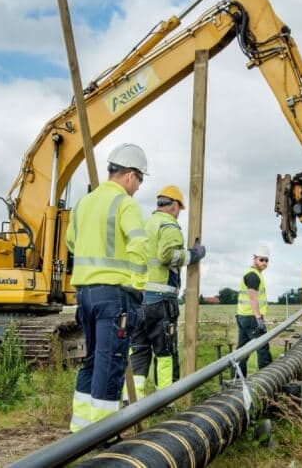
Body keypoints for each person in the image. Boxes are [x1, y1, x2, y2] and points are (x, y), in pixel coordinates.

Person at [66, 143, 149, 433]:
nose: (138, 187)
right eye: (139, 180)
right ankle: (102, 434)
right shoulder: (125, 204)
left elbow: (71, 243)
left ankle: (80, 430)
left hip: (85, 294)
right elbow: (140, 245)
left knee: (91, 360)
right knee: (111, 362)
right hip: (115, 295)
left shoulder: (83, 204)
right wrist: (138, 287)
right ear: (130, 175)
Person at [128, 185, 206, 398]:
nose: (179, 211)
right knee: (165, 352)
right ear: (173, 205)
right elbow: (167, 256)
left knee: (139, 350)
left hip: (139, 300)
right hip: (160, 302)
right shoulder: (168, 225)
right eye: (179, 207)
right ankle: (166, 399)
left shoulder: (147, 224)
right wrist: (193, 255)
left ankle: (133, 400)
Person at [235, 244, 272, 377]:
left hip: (244, 317)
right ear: (254, 259)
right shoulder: (253, 276)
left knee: (242, 351)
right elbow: (253, 299)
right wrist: (258, 319)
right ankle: (267, 379)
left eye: (266, 260)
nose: (264, 263)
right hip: (251, 318)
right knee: (262, 348)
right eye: (261, 260)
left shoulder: (254, 274)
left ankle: (237, 380)